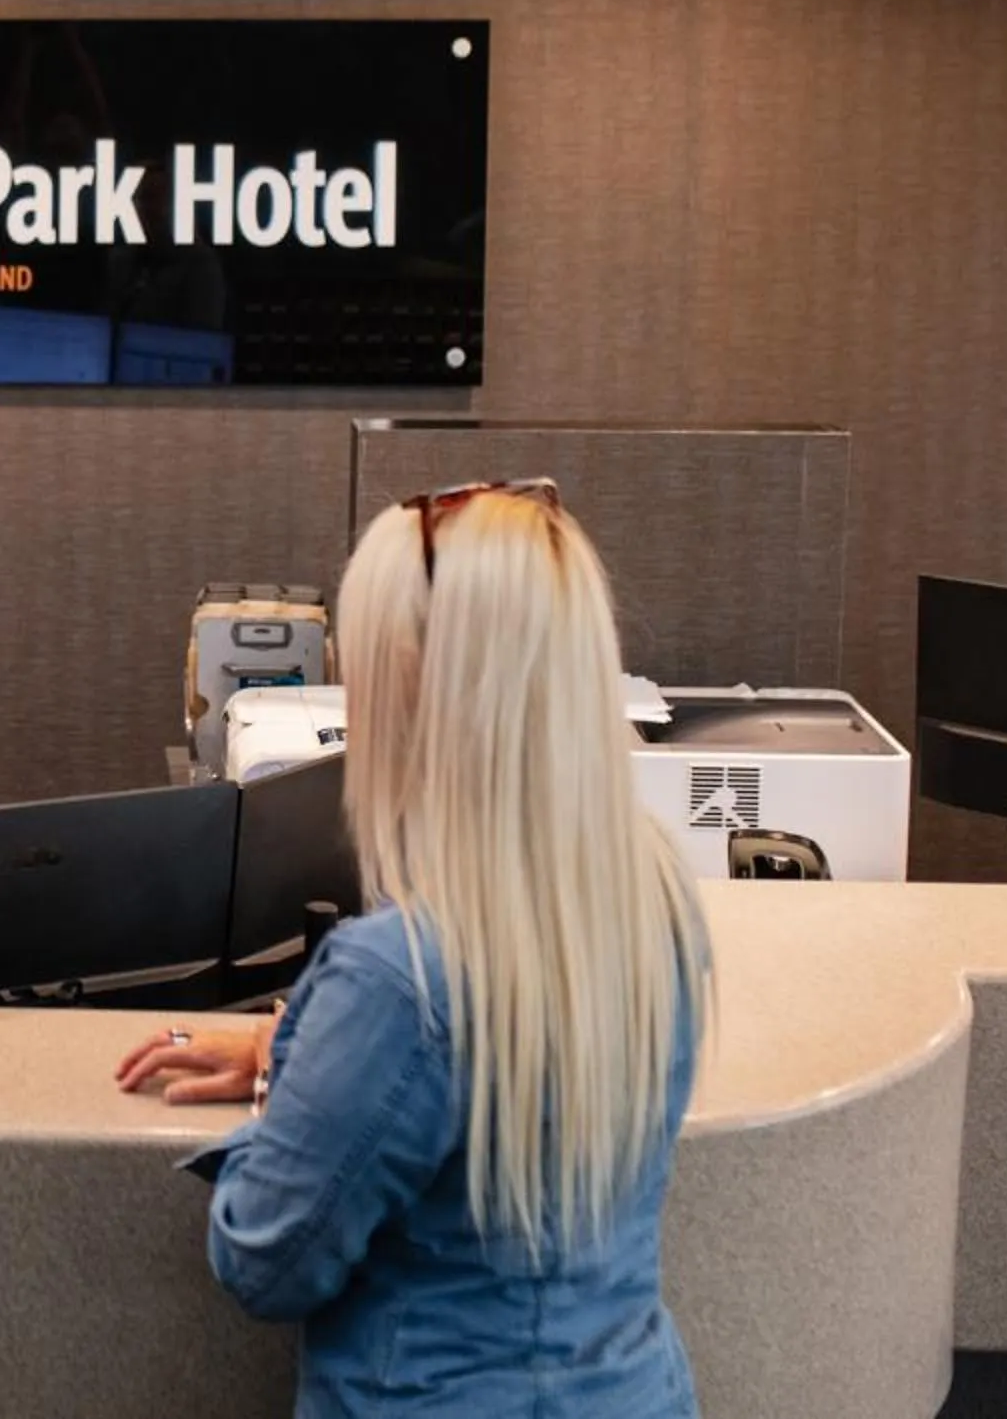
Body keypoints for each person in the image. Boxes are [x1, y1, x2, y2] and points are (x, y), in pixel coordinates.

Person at [116, 481, 712, 1417]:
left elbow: (265, 1259)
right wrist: (322, 1050)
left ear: (410, 681)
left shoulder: (400, 979)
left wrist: (301, 1070)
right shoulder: (656, 904)